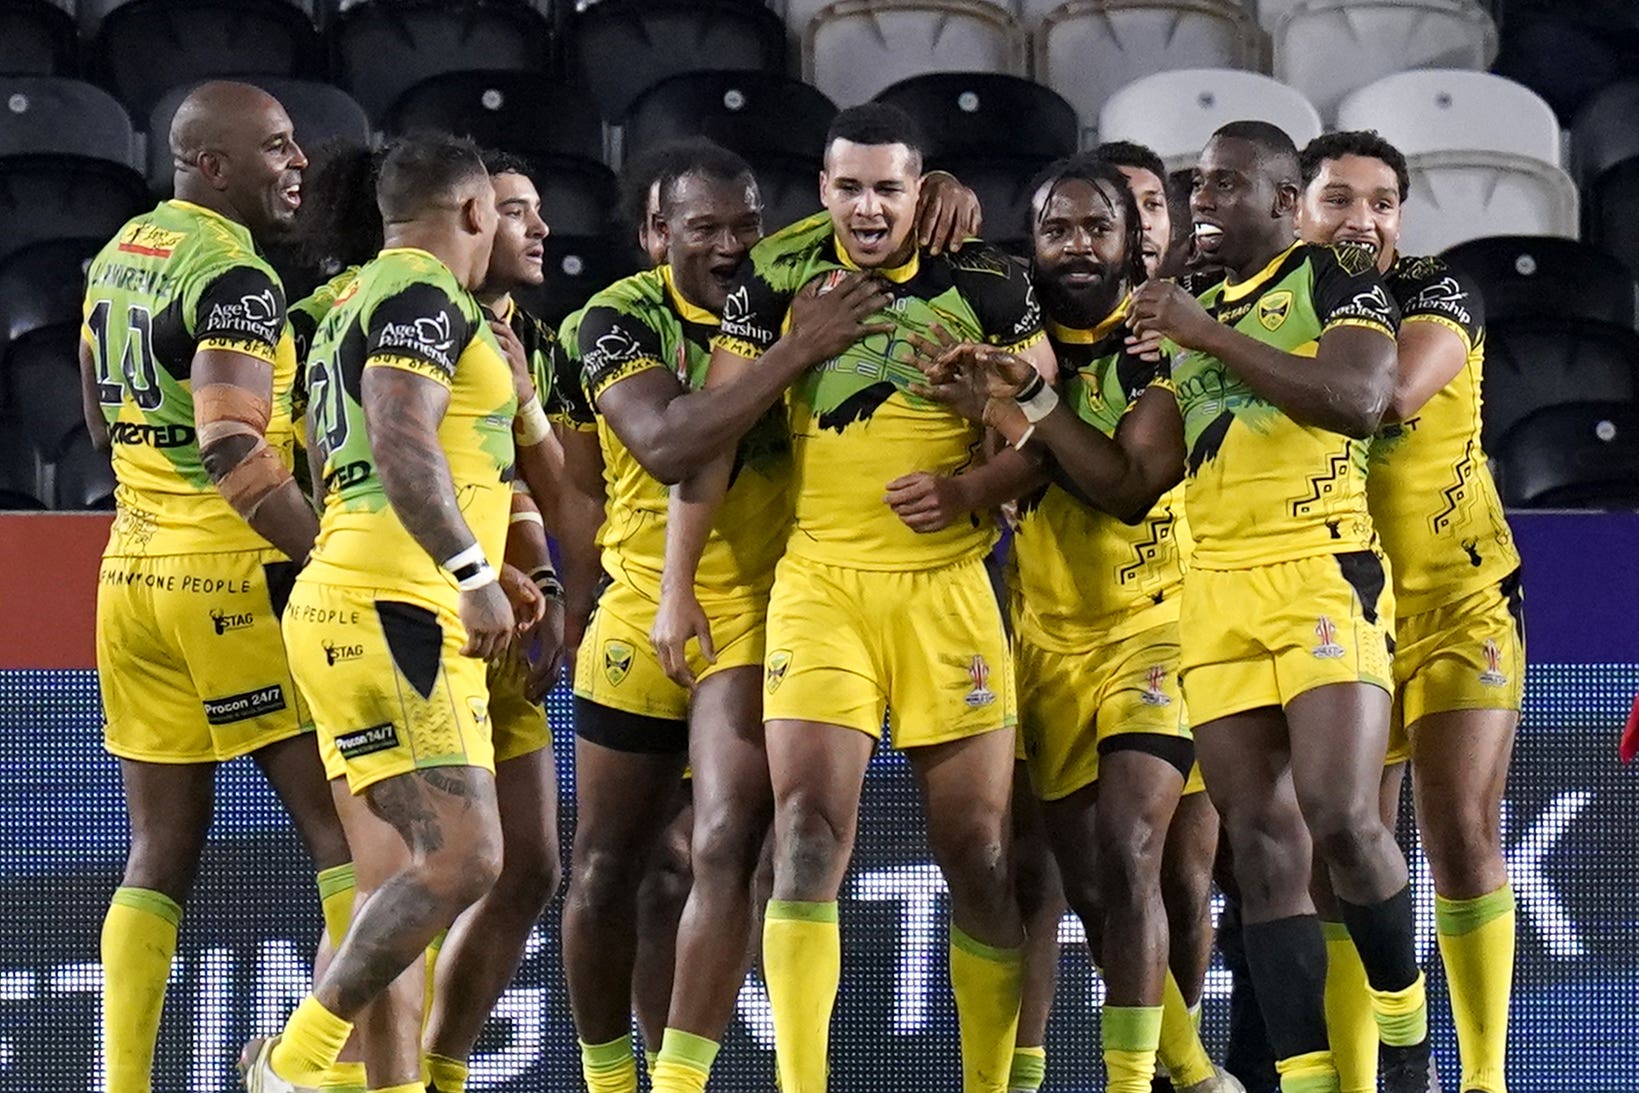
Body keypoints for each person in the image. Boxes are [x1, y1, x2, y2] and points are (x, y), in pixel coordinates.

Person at [921, 120, 1436, 1093]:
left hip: (1321, 571)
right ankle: (1309, 1077)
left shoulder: (1333, 279)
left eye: (1227, 188)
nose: (1203, 203)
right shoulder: (1181, 313)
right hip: (1212, 594)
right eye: (1197, 187)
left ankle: (1407, 1034)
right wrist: (1026, 401)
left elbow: (1360, 399)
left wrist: (1207, 336)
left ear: (1286, 202)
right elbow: (1128, 479)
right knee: (1263, 846)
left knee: (1336, 811)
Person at [655, 103, 1048, 1093]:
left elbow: (1051, 440)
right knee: (804, 835)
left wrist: (975, 467)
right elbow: (706, 444)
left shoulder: (992, 282)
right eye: (848, 187)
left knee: (976, 852)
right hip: (820, 587)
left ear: (922, 189)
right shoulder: (775, 281)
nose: (868, 209)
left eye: (888, 187)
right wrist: (674, 590)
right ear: (822, 189)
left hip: (950, 593)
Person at [905, 153, 1234, 1093]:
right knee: (1085, 886)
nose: (1079, 246)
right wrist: (940, 188)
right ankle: (1185, 1066)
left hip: (1162, 627)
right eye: (1057, 229)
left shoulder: (1165, 345)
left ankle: (1136, 1081)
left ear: (1134, 240)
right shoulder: (1010, 335)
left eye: (1098, 228)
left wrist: (1021, 410)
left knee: (1140, 853)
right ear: (1032, 244)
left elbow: (1121, 487)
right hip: (1044, 636)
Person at [78, 80, 349, 1093]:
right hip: (233, 573)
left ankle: (124, 1083)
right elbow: (234, 449)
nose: (298, 167)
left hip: (129, 572)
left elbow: (99, 425)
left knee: (156, 852)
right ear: (212, 163)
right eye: (276, 149)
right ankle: (333, 1069)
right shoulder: (235, 277)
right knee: (348, 837)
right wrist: (332, 555)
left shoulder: (117, 255)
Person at [238, 133, 520, 1093]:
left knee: (398, 873)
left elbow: (349, 464)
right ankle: (296, 1059)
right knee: (467, 858)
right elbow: (399, 433)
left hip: (354, 596)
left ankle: (363, 1079)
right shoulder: (423, 292)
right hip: (395, 606)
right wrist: (472, 566)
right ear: (474, 211)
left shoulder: (348, 300)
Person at [1297, 130, 1522, 1093]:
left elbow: (1383, 396)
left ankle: (1482, 1079)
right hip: (1341, 607)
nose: (1363, 221)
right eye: (1338, 200)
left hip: (1460, 595)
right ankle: (1363, 1075)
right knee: (1340, 848)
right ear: (1295, 208)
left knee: (1458, 824)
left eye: (1381, 202)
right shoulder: (1269, 305)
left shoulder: (1439, 290)